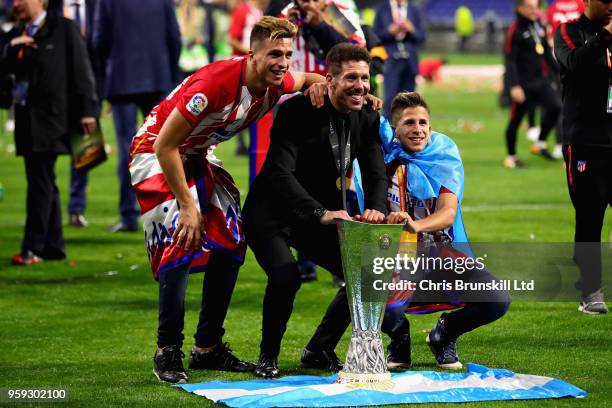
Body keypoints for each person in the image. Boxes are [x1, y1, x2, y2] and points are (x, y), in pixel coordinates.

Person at [129, 16, 329, 384]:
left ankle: (207, 348)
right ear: (251, 54)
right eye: (273, 54)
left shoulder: (277, 81)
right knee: (181, 238)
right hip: (156, 154)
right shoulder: (216, 83)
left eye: (287, 53)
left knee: (232, 240)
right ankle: (167, 350)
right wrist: (188, 207)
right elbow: (164, 144)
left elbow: (309, 80)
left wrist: (317, 86)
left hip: (196, 153)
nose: (283, 62)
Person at [243, 43, 388, 378]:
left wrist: (377, 208)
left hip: (320, 213)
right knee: (286, 276)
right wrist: (320, 212)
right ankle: (268, 357)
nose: (360, 85)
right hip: (272, 212)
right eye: (351, 77)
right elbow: (280, 171)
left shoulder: (367, 116)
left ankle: (318, 349)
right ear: (329, 80)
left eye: (364, 78)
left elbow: (376, 170)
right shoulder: (299, 110)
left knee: (365, 276)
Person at [382, 92, 511, 369]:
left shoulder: (443, 156)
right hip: (395, 259)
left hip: (440, 254)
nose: (417, 129)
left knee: (497, 299)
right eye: (409, 123)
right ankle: (399, 337)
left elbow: (447, 213)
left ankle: (445, 332)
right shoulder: (382, 154)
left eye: (423, 122)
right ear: (395, 129)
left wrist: (415, 225)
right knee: (380, 307)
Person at [3, 0, 98, 265]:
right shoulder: (13, 36)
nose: (17, 4)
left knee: (39, 180)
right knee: (44, 180)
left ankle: (32, 248)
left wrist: (88, 109)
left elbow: (82, 70)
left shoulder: (64, 29)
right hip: (25, 120)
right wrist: (10, 50)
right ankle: (54, 246)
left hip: (53, 119)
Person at [93, 0, 181, 232]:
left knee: (127, 148)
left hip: (121, 79)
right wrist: (170, 77)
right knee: (164, 147)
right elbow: (175, 37)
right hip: (158, 77)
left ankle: (129, 214)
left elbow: (99, 40)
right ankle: (166, 213)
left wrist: (105, 74)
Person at [554, 0, 611, 314]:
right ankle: (591, 291)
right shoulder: (568, 30)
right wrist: (605, 36)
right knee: (590, 219)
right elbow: (575, 63)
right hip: (585, 143)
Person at [57, 0, 101, 228]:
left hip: (90, 87)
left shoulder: (98, 5)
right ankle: (52, 209)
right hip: (56, 87)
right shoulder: (51, 6)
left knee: (84, 148)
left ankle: (76, 208)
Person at [503, 0, 561, 168]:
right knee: (515, 120)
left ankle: (540, 142)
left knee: (556, 107)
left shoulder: (538, 25)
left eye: (536, 6)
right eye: (529, 6)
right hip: (522, 84)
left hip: (540, 81)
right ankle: (511, 157)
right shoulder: (515, 29)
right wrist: (514, 86)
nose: (534, 10)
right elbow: (510, 60)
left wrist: (561, 71)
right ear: (519, 8)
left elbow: (547, 56)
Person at [373, 0, 425, 118]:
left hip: (409, 60)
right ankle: (388, 133)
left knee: (409, 101)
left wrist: (412, 29)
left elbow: (422, 37)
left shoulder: (414, 9)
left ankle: (408, 131)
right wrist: (389, 31)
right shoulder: (382, 8)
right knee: (390, 99)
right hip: (391, 60)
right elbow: (375, 35)